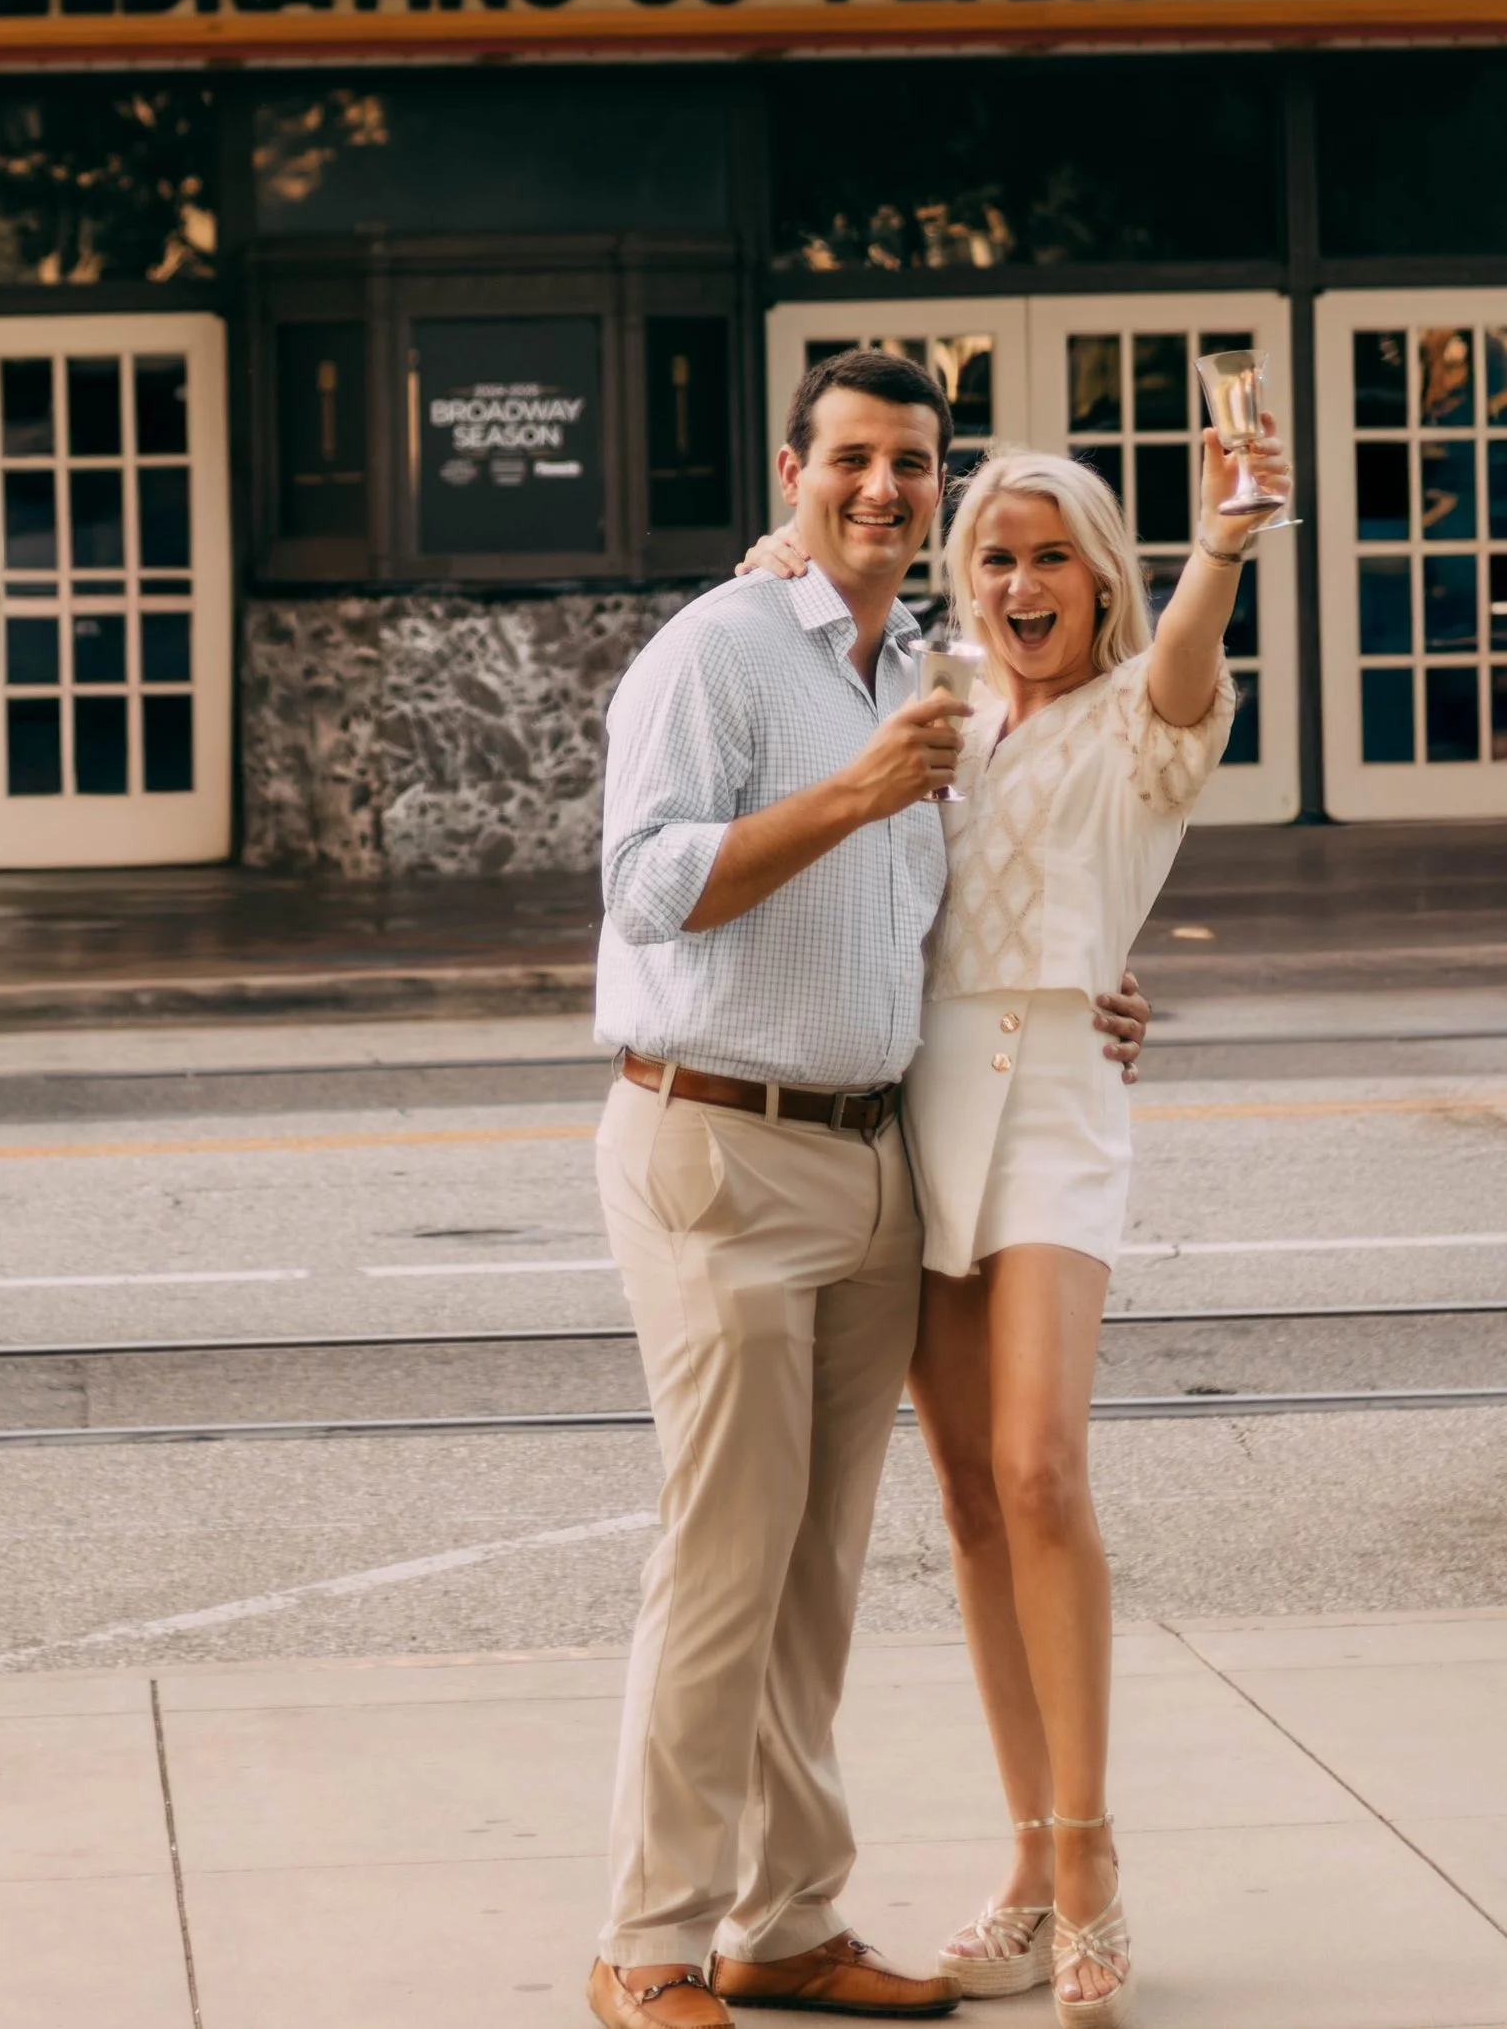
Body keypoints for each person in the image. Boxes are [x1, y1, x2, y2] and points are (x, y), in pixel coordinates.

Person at [587, 351, 1153, 2029]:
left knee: (816, 1569)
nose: (884, 491)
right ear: (793, 469)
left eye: (913, 465)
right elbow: (643, 886)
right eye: (852, 460)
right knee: (720, 1563)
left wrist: (1102, 988)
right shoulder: (719, 650)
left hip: (873, 1159)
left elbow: (1003, 895)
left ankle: (786, 1921)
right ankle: (648, 1940)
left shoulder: (918, 662)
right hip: (721, 1143)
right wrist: (848, 793)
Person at [738, 417, 1290, 2026]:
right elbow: (817, 597)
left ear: (1101, 577)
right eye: (997, 553)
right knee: (974, 1499)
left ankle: (1096, 1854)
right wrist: (792, 546)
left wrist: (1224, 545)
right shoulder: (935, 699)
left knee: (1046, 1468)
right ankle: (1031, 1869)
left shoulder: (1147, 712)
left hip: (1056, 1099)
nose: (1023, 579)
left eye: (1053, 555)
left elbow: (1188, 659)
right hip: (923, 1101)